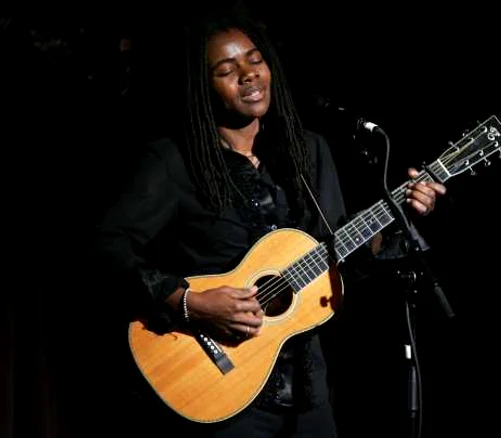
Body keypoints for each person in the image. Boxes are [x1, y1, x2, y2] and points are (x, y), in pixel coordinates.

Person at [90, 4, 446, 437]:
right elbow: (107, 247)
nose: (249, 75)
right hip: (219, 384)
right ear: (203, 86)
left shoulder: (307, 153)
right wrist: (189, 302)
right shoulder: (175, 162)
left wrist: (395, 215)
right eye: (227, 69)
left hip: (308, 391)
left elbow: (336, 257)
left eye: (255, 60)